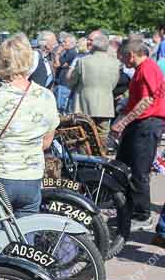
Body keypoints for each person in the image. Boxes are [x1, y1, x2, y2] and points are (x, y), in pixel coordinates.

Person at [0, 33, 59, 249]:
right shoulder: (46, 97)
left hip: (0, 177)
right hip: (31, 177)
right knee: (25, 235)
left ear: (1, 63)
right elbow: (47, 141)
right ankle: (24, 279)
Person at [112, 38, 165, 231]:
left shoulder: (147, 69)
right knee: (123, 164)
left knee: (139, 170)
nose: (122, 61)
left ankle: (143, 215)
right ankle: (128, 208)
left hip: (148, 124)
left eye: (123, 57)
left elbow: (146, 102)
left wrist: (123, 122)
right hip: (140, 124)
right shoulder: (141, 70)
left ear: (131, 54)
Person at [67, 31, 120, 139]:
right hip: (105, 106)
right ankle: (100, 155)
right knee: (102, 136)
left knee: (83, 136)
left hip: (83, 105)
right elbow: (114, 84)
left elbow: (72, 81)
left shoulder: (82, 61)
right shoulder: (115, 63)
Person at [53, 33, 77, 112]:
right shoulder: (68, 52)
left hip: (64, 85)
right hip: (61, 84)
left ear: (71, 43)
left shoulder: (71, 52)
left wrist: (57, 53)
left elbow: (57, 65)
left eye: (65, 42)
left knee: (60, 109)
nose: (62, 44)